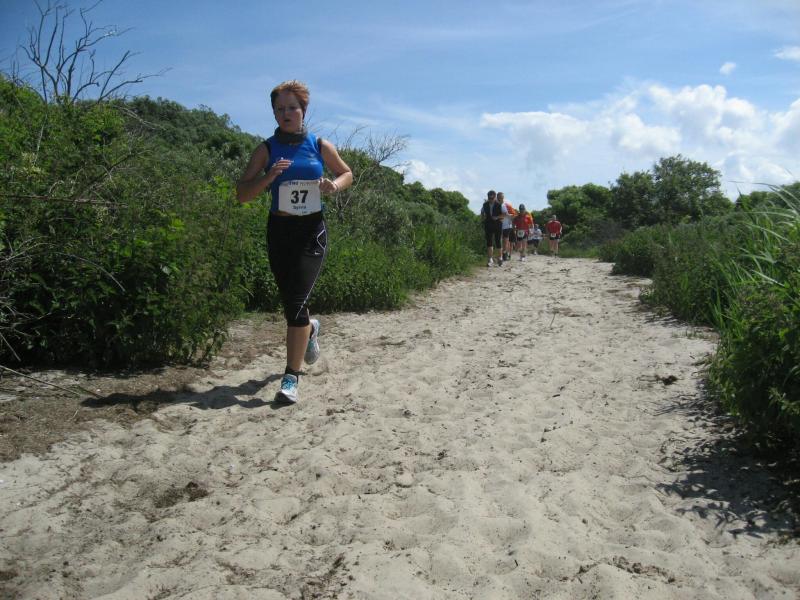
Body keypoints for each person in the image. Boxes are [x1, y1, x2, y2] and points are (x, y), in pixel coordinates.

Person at [237, 80, 353, 404]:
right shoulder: (266, 149)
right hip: (280, 231)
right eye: (280, 109)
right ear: (274, 113)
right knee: (292, 302)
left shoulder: (319, 144)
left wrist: (334, 185)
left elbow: (347, 173)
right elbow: (242, 194)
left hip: (311, 231)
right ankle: (311, 329)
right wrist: (269, 177)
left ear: (303, 110)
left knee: (297, 304)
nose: (286, 113)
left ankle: (291, 377)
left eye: (292, 108)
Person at [481, 190, 503, 266]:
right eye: (489, 198)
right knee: (489, 242)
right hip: (488, 224)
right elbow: (482, 212)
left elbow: (504, 214)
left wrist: (497, 217)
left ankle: (500, 258)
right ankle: (490, 259)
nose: (490, 200)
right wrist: (483, 218)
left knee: (498, 241)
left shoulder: (499, 204)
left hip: (497, 225)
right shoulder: (485, 204)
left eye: (492, 198)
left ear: (495, 197)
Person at [498, 192, 516, 262]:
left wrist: (508, 215)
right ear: (497, 197)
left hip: (507, 226)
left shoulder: (506, 205)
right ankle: (503, 254)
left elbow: (513, 215)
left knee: (505, 240)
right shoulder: (495, 205)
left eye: (502, 197)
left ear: (503, 198)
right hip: (498, 225)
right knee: (500, 241)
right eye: (499, 197)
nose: (501, 199)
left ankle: (504, 254)